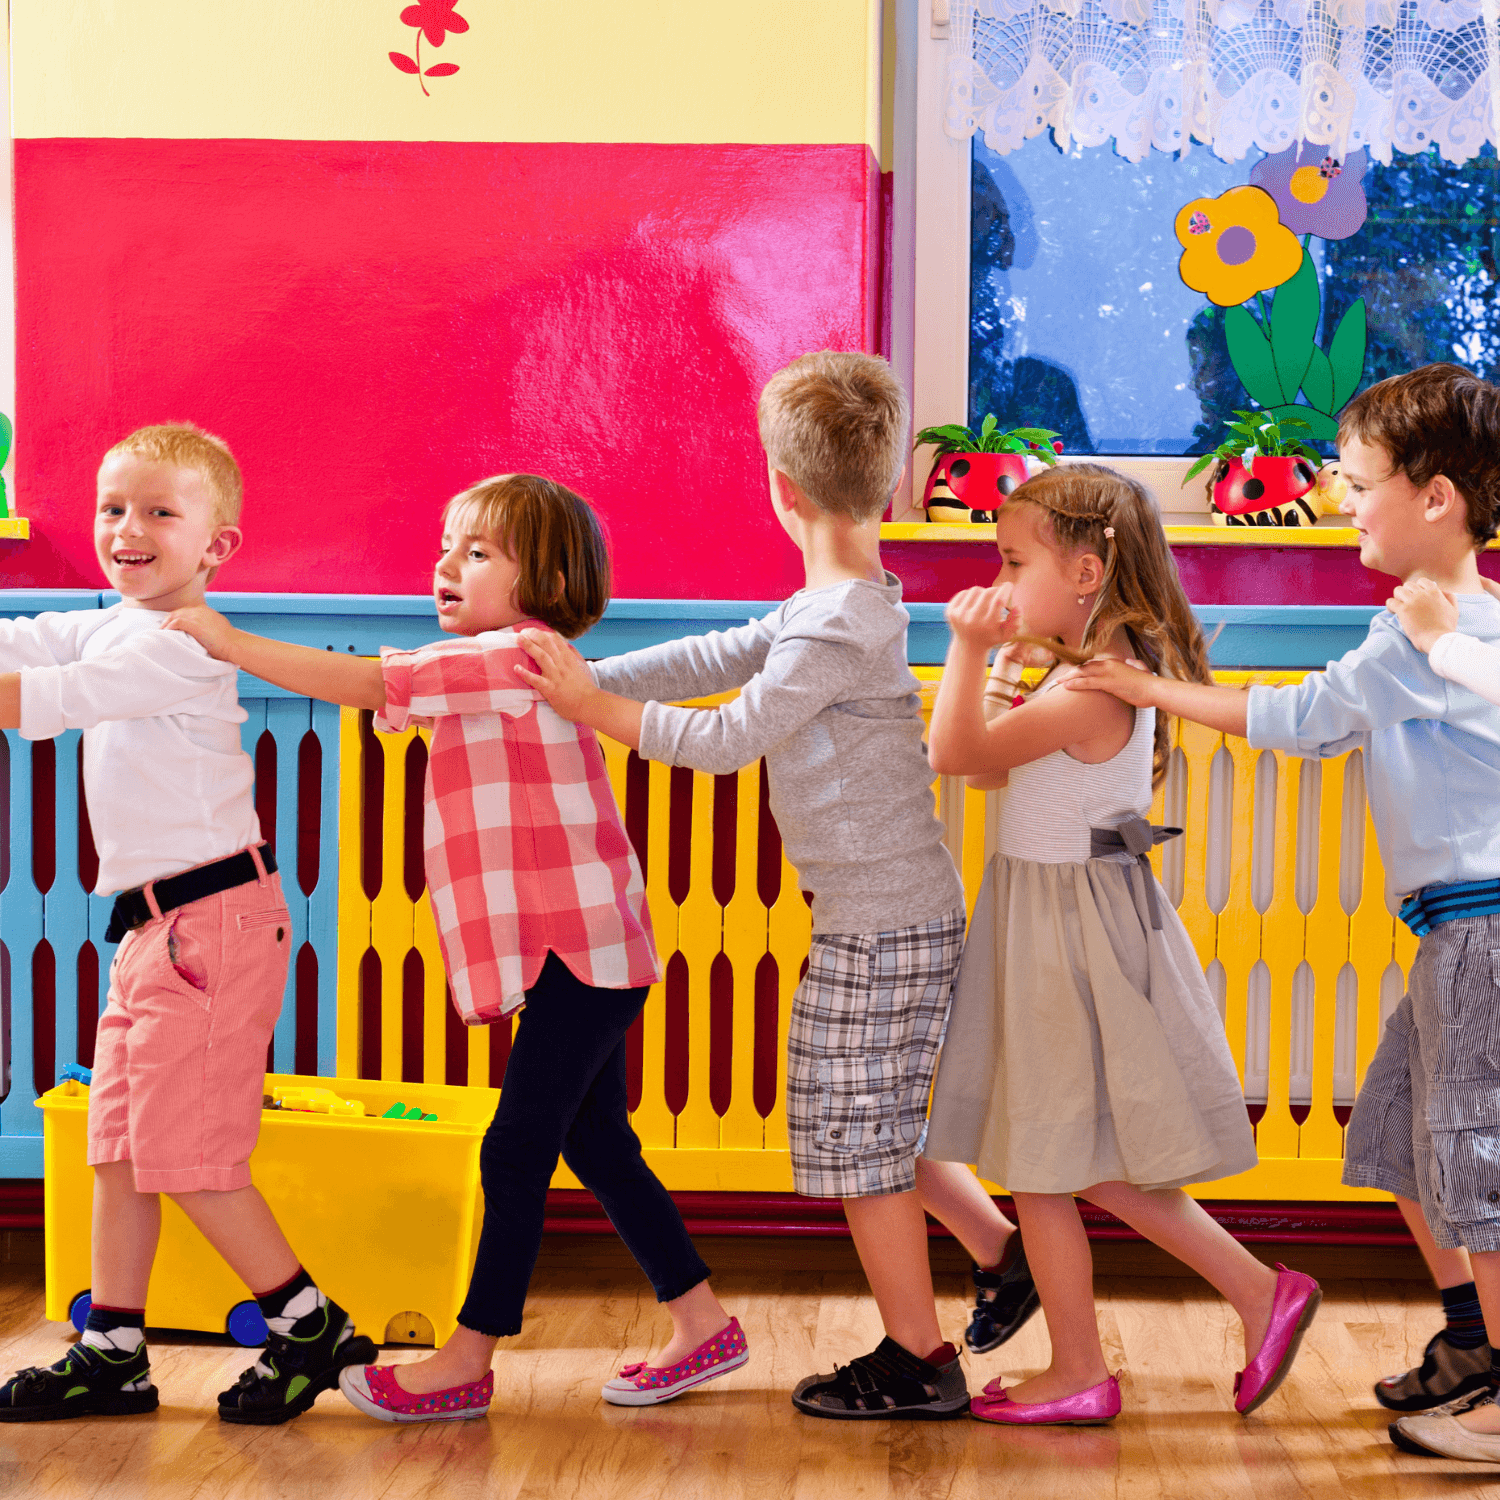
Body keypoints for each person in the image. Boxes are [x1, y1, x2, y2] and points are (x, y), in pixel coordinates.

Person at [517, 349, 1039, 1420]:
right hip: (888, 911)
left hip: (883, 923)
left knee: (855, 1148)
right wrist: (572, 682)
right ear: (887, 487)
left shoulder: (841, 619)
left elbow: (726, 738)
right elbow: (716, 656)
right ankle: (1002, 1254)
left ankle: (918, 1358)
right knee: (873, 1122)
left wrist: (584, 708)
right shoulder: (836, 604)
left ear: (780, 489)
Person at [165, 473, 742, 1424]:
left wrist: (225, 638)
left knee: (515, 1150)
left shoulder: (516, 657)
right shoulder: (485, 664)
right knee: (596, 1141)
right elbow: (398, 690)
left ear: (545, 576)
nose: (446, 564)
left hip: (579, 948)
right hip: (588, 948)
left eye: (477, 553)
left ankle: (467, 1360)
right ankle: (704, 1320)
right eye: (447, 545)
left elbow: (366, 683)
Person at [1071, 363, 1500, 1461]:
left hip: (1481, 932)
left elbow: (1302, 720)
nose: (1343, 504)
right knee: (1405, 1131)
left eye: (1360, 486)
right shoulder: (1440, 625)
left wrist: (1150, 690)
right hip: (1452, 930)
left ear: (1436, 498)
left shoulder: (1429, 633)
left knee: (1472, 1156)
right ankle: (1471, 1343)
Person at [923, 462, 1318, 1427]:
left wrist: (968, 651)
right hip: (1046, 911)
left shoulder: (1098, 685)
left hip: (1067, 927)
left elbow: (955, 758)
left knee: (1053, 1159)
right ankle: (1169, 1328)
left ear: (1088, 570)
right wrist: (1013, 659)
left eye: (1014, 560)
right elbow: (988, 782)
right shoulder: (1079, 666)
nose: (1000, 580)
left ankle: (1109, 1357)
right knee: (1052, 1157)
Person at [0, 424, 375, 1424]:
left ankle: (307, 1326)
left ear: (218, 545)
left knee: (187, 1154)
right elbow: (20, 643)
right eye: (114, 508)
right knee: (119, 1144)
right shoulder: (106, 621)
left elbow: (41, 698)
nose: (130, 528)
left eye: (161, 512)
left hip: (211, 930)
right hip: (152, 936)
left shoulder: (178, 644)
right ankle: (112, 1349)